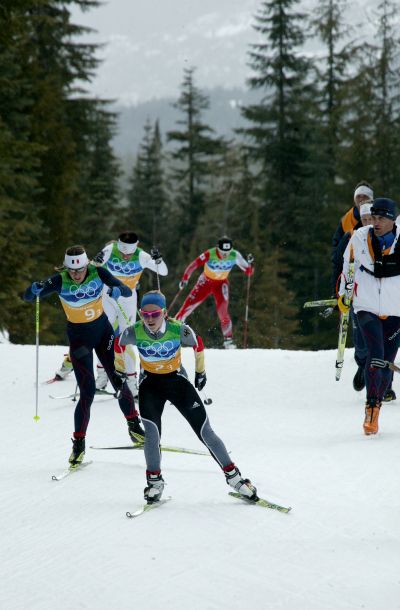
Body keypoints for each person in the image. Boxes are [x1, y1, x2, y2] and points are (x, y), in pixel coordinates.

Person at [120, 290, 257, 503]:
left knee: (205, 431)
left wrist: (200, 372)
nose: (149, 320)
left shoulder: (178, 330)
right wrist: (121, 374)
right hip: (150, 385)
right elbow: (119, 346)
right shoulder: (134, 331)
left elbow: (198, 344)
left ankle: (236, 479)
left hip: (177, 382)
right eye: (144, 315)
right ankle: (155, 483)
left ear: (164, 313)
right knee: (152, 434)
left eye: (155, 314)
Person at [23, 245, 145, 465]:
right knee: (87, 392)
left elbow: (126, 290)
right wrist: (33, 290)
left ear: (86, 265)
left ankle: (134, 427)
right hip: (79, 340)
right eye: (72, 271)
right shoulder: (60, 280)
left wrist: (118, 290)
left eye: (79, 270)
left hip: (103, 332)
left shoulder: (98, 272)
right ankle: (78, 444)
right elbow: (29, 297)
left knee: (119, 380)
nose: (76, 275)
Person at [55, 231, 168, 397]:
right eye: (122, 253)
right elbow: (92, 269)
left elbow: (163, 271)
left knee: (127, 339)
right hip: (107, 296)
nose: (125, 257)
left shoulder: (142, 256)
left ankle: (131, 383)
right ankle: (101, 379)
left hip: (128, 299)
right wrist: (97, 261)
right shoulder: (110, 249)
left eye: (128, 254)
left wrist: (158, 261)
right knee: (101, 336)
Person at [338, 198, 400, 435]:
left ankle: (378, 403)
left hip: (396, 309)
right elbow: (347, 266)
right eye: (373, 217)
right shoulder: (359, 237)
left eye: (381, 218)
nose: (376, 222)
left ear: (393, 220)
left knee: (386, 360)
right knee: (375, 357)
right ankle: (371, 409)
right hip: (366, 306)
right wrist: (344, 294)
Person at [175, 236, 254, 349]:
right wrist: (185, 278)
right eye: (222, 252)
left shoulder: (235, 255)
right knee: (188, 306)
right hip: (205, 282)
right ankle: (173, 334)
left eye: (228, 252)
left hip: (221, 284)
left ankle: (228, 340)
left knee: (223, 311)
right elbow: (194, 265)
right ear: (218, 249)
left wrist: (251, 264)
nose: (225, 255)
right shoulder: (210, 253)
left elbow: (248, 271)